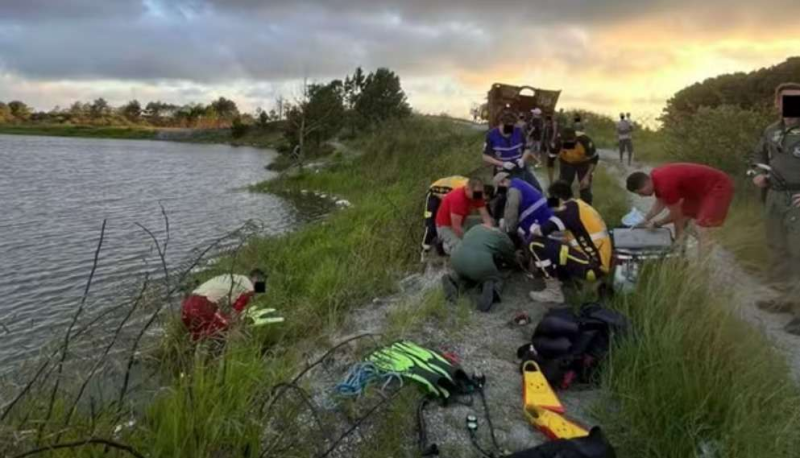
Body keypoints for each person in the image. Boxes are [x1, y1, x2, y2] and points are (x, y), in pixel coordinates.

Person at [750, 82, 800, 334]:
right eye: (786, 100)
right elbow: (759, 156)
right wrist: (758, 174)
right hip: (774, 195)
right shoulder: (771, 130)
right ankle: (782, 299)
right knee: (777, 248)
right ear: (777, 103)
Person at [527, 180, 611, 298]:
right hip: (599, 264)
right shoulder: (579, 205)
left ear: (557, 198)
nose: (549, 204)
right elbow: (573, 239)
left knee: (534, 243)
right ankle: (585, 284)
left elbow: (542, 231)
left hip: (592, 267)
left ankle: (554, 292)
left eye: (550, 200)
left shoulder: (567, 210)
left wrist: (532, 228)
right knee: (555, 247)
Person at [626, 163, 734, 251]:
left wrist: (656, 224)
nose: (641, 196)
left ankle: (702, 271)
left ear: (646, 183)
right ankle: (679, 252)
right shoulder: (655, 177)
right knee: (682, 221)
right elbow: (660, 202)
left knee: (704, 229)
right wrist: (645, 220)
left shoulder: (665, 185)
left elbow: (676, 214)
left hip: (717, 186)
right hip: (696, 191)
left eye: (641, 192)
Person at [443, 225, 517, 312]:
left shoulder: (476, 227)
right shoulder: (503, 237)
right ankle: (491, 287)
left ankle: (455, 282)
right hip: (479, 262)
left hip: (456, 258)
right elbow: (511, 257)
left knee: (466, 276)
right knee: (496, 278)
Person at [181, 269, 267, 340]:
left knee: (202, 339)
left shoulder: (233, 278)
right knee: (231, 331)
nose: (260, 290)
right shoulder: (248, 288)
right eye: (262, 285)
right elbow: (234, 313)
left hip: (187, 306)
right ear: (256, 279)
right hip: (202, 306)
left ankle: (199, 359)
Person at [483, 110, 542, 190]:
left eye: (511, 127)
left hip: (521, 168)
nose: (509, 131)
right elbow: (485, 156)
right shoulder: (491, 136)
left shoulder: (519, 132)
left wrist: (522, 159)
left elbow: (527, 149)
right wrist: (502, 163)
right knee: (510, 193)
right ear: (500, 124)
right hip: (503, 171)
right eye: (506, 127)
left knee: (536, 189)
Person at [435, 178, 494, 255]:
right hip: (445, 226)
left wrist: (490, 230)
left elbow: (485, 215)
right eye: (477, 193)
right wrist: (472, 242)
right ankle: (444, 246)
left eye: (481, 192)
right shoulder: (458, 199)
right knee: (462, 250)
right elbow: (456, 227)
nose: (480, 195)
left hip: (462, 220)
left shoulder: (477, 195)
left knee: (492, 222)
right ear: (467, 189)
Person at [493, 172, 553, 244]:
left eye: (499, 189)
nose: (501, 193)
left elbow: (512, 214)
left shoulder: (513, 191)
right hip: (548, 211)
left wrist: (510, 232)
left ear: (502, 182)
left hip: (537, 219)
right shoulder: (520, 182)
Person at [547, 127, 598, 204]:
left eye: (574, 143)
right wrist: (551, 182)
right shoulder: (556, 143)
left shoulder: (584, 140)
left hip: (583, 163)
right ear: (562, 141)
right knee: (561, 188)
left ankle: (586, 210)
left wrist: (587, 177)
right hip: (566, 163)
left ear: (575, 138)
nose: (572, 146)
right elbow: (550, 162)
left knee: (585, 190)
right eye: (569, 145)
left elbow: (594, 159)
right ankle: (558, 210)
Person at [422, 175, 469, 254]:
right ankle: (425, 249)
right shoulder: (462, 191)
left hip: (448, 191)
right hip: (434, 193)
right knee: (430, 226)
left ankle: (440, 241)